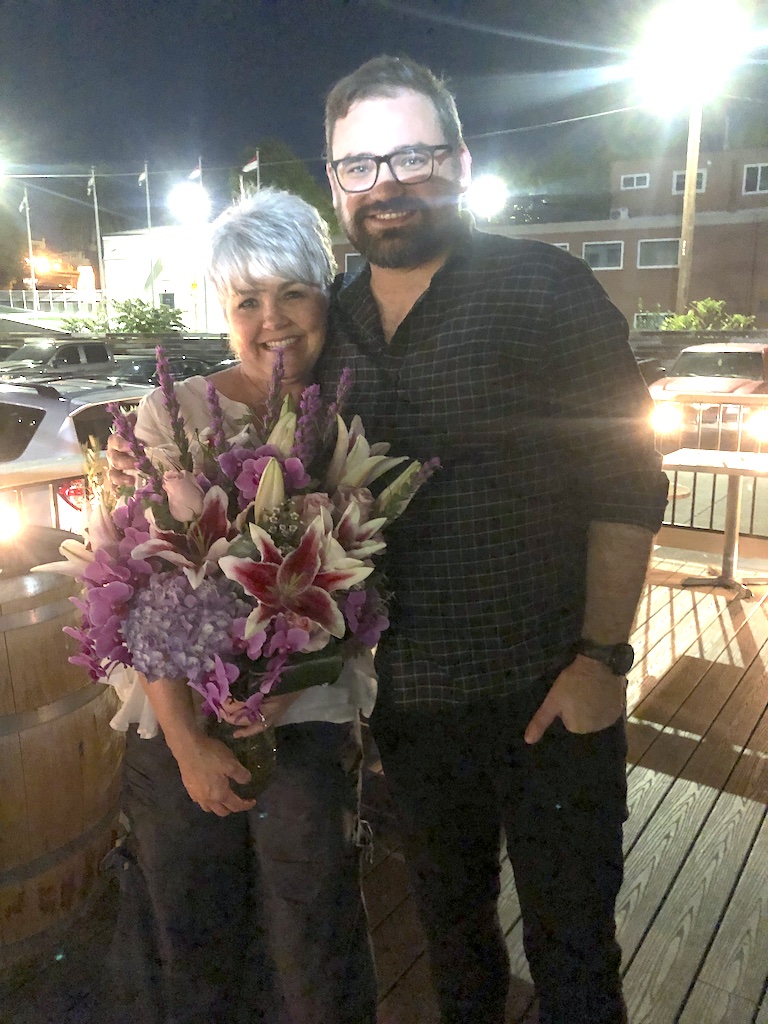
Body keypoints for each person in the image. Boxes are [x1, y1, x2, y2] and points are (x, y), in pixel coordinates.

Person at [310, 55, 669, 1024]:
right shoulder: (327, 325)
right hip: (410, 713)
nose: (387, 181)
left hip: (548, 691)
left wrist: (602, 658)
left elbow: (628, 478)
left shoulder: (547, 288)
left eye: (413, 153)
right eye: (359, 163)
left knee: (575, 953)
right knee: (453, 944)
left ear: (461, 162)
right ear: (336, 180)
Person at [105, 188, 377, 1024]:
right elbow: (135, 589)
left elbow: (360, 582)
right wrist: (189, 744)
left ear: (324, 295)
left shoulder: (341, 420)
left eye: (293, 292)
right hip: (177, 718)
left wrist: (280, 693)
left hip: (300, 719)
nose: (274, 320)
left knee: (312, 933)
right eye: (247, 301)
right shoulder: (168, 412)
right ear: (223, 310)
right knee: (194, 930)